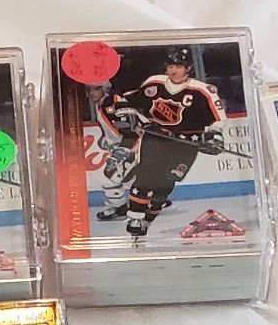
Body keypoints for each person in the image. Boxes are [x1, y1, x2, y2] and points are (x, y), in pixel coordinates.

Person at [93, 46, 226, 240]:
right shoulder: (154, 83)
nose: (173, 70)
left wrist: (214, 135)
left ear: (188, 68)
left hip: (184, 144)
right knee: (146, 175)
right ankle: (135, 218)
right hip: (155, 137)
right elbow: (130, 99)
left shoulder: (203, 91)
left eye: (178, 66)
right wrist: (124, 110)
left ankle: (148, 218)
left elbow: (218, 118)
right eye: (171, 66)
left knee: (165, 185)